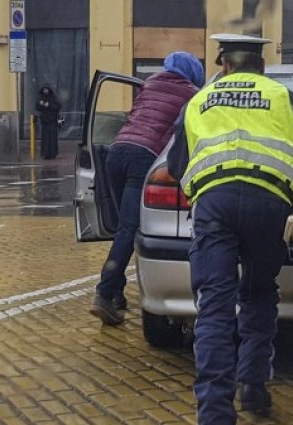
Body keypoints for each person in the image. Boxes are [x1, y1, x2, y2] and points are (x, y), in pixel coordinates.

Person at [167, 34, 293, 424]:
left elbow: (177, 164)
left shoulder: (198, 100)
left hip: (214, 206)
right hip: (268, 205)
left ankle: (214, 413)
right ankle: (254, 389)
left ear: (223, 64)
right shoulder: (286, 99)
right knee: (258, 291)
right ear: (261, 66)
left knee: (215, 308)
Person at [89, 51, 204, 326]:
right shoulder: (192, 95)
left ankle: (115, 294)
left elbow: (134, 116)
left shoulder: (149, 83)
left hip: (117, 152)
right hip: (144, 156)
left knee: (122, 228)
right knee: (129, 228)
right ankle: (104, 293)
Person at [35, 86, 61, 159]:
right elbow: (37, 108)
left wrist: (49, 105)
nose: (45, 91)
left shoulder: (53, 98)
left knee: (52, 138)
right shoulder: (40, 98)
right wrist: (40, 104)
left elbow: (58, 106)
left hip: (52, 121)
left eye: (46, 89)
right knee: (45, 139)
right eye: (44, 90)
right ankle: (45, 154)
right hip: (44, 122)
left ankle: (53, 154)